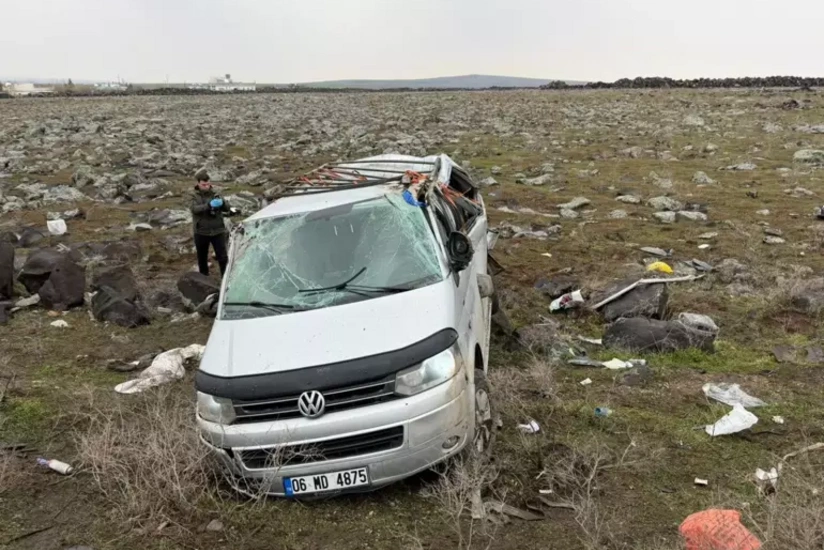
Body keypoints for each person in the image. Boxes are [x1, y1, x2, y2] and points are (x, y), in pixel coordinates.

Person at [190, 170, 230, 276]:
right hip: (201, 232)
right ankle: (204, 281)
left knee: (223, 258)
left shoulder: (216, 193)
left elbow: (227, 208)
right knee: (202, 258)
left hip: (218, 230)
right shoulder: (193, 195)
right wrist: (208, 205)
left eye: (208, 184)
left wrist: (222, 203)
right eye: (204, 184)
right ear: (198, 183)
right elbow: (194, 209)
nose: (206, 186)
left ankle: (226, 280)